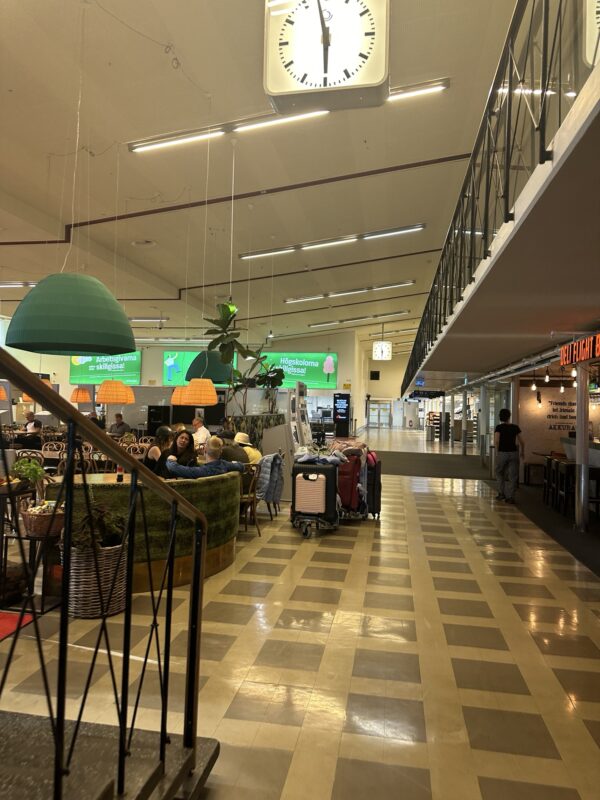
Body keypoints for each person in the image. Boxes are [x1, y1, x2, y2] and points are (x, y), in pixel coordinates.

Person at [166, 436, 245, 479]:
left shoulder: (202, 471)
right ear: (221, 452)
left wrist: (170, 460)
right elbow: (241, 466)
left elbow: (175, 469)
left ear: (204, 450)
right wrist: (234, 463)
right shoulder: (225, 464)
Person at [494, 408, 525, 504]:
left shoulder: (499, 427)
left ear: (500, 417)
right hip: (513, 453)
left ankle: (501, 493)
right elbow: (522, 442)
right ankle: (511, 497)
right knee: (513, 475)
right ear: (509, 416)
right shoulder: (515, 427)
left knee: (499, 473)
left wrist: (497, 452)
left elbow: (496, 441)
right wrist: (522, 452)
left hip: (502, 453)